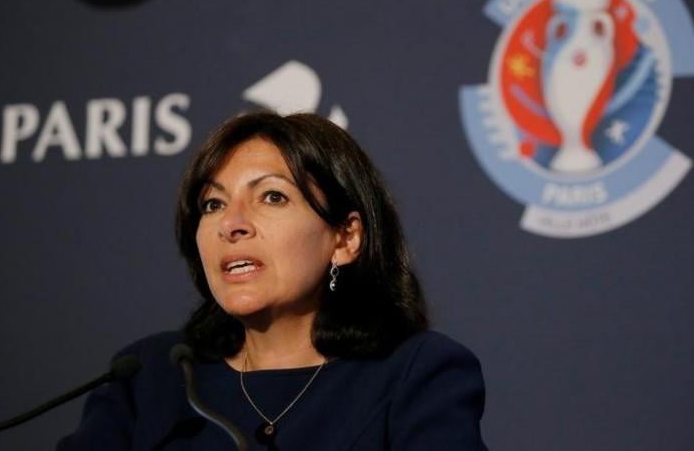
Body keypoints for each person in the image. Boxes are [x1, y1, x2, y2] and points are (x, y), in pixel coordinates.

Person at [58, 111, 487, 450]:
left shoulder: (416, 373)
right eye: (212, 204)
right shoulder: (152, 376)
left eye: (272, 197)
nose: (232, 224)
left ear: (345, 238)